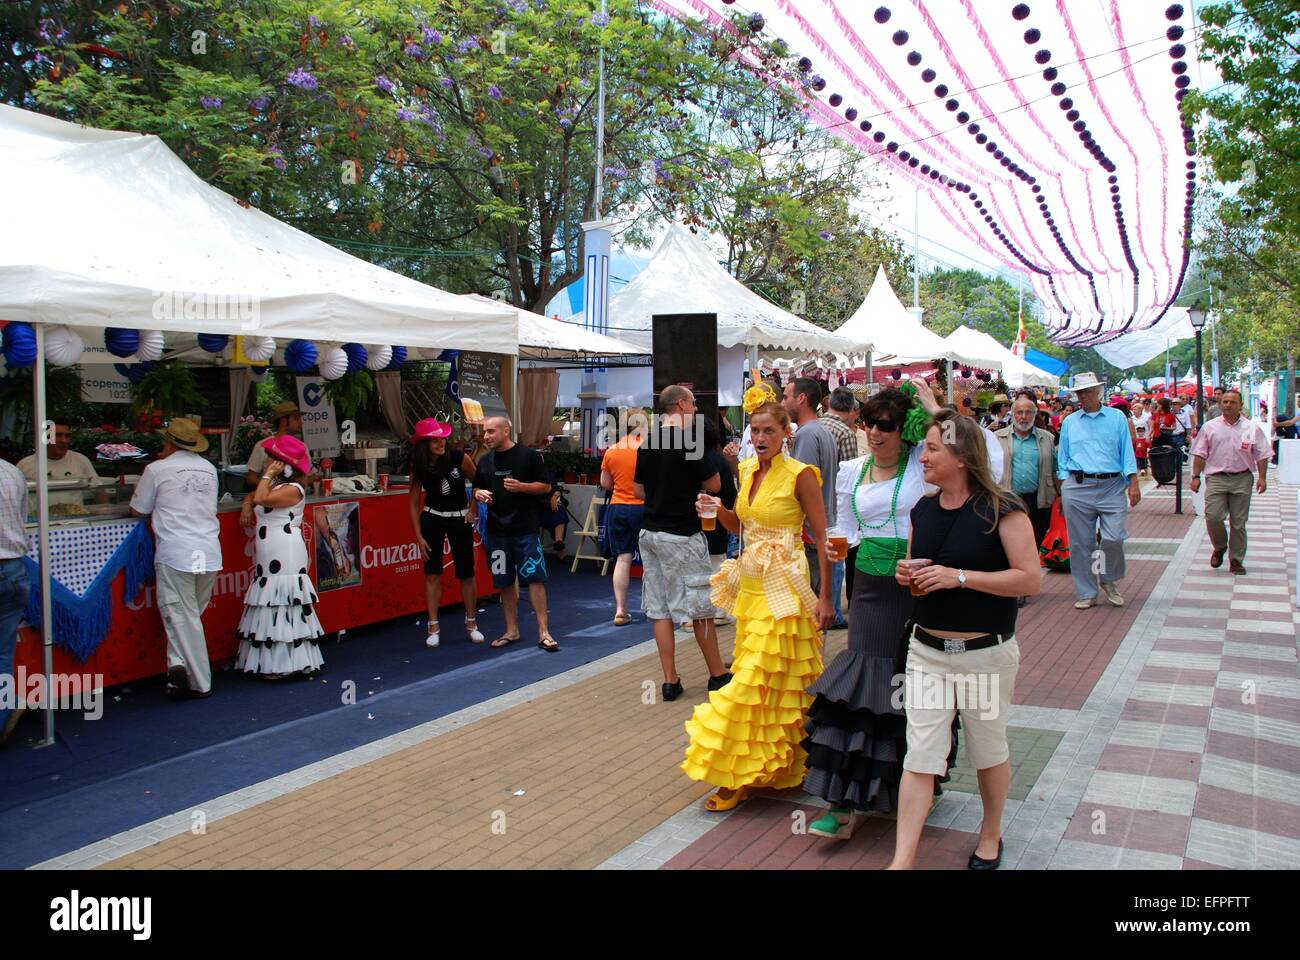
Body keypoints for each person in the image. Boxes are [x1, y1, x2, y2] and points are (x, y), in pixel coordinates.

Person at [888, 411, 1041, 869]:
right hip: (927, 651)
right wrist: (908, 575)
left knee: (987, 750)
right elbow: (919, 573)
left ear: (961, 455)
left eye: (933, 447)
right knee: (920, 757)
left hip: (985, 655)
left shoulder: (1002, 510)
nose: (923, 455)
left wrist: (959, 577)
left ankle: (990, 834)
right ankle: (902, 861)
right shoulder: (923, 509)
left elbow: (1030, 579)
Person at [683, 387, 834, 811]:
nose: (762, 436)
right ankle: (773, 766)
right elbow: (737, 527)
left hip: (787, 585)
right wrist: (715, 507)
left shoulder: (801, 474)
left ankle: (738, 773)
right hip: (752, 585)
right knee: (770, 681)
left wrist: (826, 597)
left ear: (787, 432)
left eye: (770, 429)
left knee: (757, 678)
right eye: (756, 429)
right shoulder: (748, 470)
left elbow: (822, 537)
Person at [802, 382, 932, 837]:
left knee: (913, 682)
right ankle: (842, 801)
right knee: (863, 680)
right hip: (870, 585)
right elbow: (843, 528)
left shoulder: (922, 463)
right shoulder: (852, 469)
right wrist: (835, 559)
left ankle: (906, 788)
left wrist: (932, 407)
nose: (875, 432)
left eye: (887, 426)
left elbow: (966, 449)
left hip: (921, 587)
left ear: (905, 431)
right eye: (870, 423)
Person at [635, 386, 727, 700]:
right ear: (682, 405)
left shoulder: (647, 443)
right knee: (700, 607)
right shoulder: (691, 441)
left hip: (650, 533)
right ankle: (717, 674)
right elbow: (714, 484)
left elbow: (638, 491)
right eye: (694, 403)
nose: (696, 409)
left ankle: (670, 680)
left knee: (660, 608)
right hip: (683, 534)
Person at [129, 419, 222, 698]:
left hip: (177, 550)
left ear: (168, 443)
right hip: (207, 549)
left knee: (183, 617)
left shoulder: (156, 469)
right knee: (188, 616)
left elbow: (138, 509)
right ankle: (177, 667)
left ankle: (200, 682)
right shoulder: (209, 469)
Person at [235, 435, 324, 678]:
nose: (266, 463)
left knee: (284, 598)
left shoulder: (293, 489)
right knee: (269, 599)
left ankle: (288, 662)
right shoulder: (275, 486)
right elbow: (253, 496)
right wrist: (246, 504)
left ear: (282, 466)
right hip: (268, 549)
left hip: (284, 548)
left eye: (272, 460)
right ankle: (271, 661)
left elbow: (261, 497)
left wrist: (266, 476)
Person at [472, 417, 558, 651]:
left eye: (490, 431)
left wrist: (522, 487)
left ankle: (544, 631)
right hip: (497, 533)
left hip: (526, 530)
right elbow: (477, 486)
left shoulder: (528, 456)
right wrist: (479, 494)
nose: (486, 436)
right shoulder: (485, 461)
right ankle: (512, 630)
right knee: (504, 582)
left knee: (535, 579)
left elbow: (546, 487)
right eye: (484, 432)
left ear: (506, 430)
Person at [1056, 373, 1140, 609]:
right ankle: (1087, 591)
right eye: (1080, 392)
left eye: (1088, 391)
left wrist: (1133, 482)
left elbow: (1127, 453)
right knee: (1081, 543)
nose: (1083, 396)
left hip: (1111, 485)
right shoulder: (1071, 422)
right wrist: (1065, 484)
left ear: (1099, 392)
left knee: (1113, 538)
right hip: (1078, 485)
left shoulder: (1116, 418)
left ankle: (1108, 578)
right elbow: (1062, 456)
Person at [408, 418, 483, 648]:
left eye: (442, 437)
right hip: (432, 518)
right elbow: (412, 503)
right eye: (434, 440)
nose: (441, 442)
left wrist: (472, 509)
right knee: (432, 573)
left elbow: (478, 481)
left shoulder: (459, 457)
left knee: (466, 573)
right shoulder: (419, 466)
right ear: (424, 444)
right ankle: (433, 626)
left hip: (459, 518)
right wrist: (418, 536)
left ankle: (472, 624)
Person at [1190, 389, 1270, 575]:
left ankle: (1236, 559)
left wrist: (1263, 478)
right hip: (1216, 478)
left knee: (1238, 522)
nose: (1228, 405)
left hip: (1242, 478)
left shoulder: (1251, 427)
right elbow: (1200, 453)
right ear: (1220, 404)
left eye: (1232, 402)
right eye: (1225, 401)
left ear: (1240, 405)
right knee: (1213, 516)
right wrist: (1195, 477)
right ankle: (1219, 546)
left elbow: (1262, 454)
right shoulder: (1210, 427)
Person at [995, 391, 1058, 607]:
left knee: (1034, 542)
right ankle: (1015, 586)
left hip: (1038, 499)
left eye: (1028, 412)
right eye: (1019, 412)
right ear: (1012, 414)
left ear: (1035, 414)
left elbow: (1056, 470)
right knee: (1009, 543)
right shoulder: (998, 437)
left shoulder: (1047, 438)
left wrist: (1061, 498)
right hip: (1008, 499)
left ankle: (1025, 581)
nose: (1023, 417)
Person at [783, 377, 838, 595]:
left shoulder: (806, 434)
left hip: (809, 534)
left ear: (802, 398)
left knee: (808, 605)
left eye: (787, 397)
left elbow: (802, 487)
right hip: (821, 530)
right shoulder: (821, 430)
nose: (783, 402)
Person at [599, 409, 648, 627]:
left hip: (618, 507)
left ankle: (620, 609)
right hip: (644, 507)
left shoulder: (612, 450)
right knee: (652, 560)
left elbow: (605, 484)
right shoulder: (647, 448)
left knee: (622, 559)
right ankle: (654, 606)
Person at [820, 386, 860, 630]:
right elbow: (850, 473)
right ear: (851, 408)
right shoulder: (845, 433)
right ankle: (834, 610)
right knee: (836, 559)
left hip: (814, 500)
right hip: (835, 504)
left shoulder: (813, 426)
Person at [0, 456, 29, 745]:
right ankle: (2, 712)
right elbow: (24, 517)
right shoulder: (12, 471)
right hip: (13, 568)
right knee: (2, 655)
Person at [701, 419, 738, 628]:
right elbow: (730, 494)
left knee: (697, 568)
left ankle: (696, 612)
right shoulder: (720, 461)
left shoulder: (689, 457)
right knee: (718, 564)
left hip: (691, 522)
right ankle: (720, 611)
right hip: (717, 519)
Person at [17, 422, 101, 507]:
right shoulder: (25, 465)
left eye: (67, 436)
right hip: (38, 519)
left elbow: (99, 491)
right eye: (58, 435)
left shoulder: (80, 460)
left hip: (74, 518)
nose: (63, 440)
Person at [244, 401, 303, 490]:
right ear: (284, 421)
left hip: (297, 499)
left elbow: (310, 475)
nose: (301, 422)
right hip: (271, 500)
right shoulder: (262, 445)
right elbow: (251, 479)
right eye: (296, 419)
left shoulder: (301, 446)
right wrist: (272, 485)